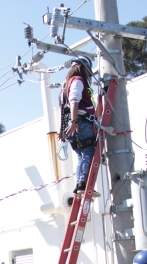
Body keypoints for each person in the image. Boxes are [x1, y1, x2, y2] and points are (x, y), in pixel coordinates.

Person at [59, 55, 98, 195]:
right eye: (88, 71)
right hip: (80, 122)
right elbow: (74, 100)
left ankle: (79, 185)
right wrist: (75, 121)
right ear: (82, 67)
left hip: (72, 124)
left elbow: (64, 107)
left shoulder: (66, 84)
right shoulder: (78, 80)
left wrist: (62, 129)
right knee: (88, 152)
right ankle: (83, 184)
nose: (88, 75)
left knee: (81, 156)